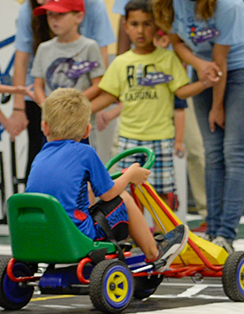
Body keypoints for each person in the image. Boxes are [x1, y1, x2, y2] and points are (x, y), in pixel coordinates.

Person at [26, 88, 189, 270]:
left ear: (44, 127)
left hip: (39, 235)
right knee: (124, 198)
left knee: (85, 195)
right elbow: (108, 194)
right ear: (87, 130)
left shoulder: (40, 156)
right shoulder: (85, 152)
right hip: (76, 235)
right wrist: (129, 176)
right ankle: (154, 253)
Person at [152, 0, 244, 252]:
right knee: (212, 152)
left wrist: (217, 107)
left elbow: (220, 59)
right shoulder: (166, 4)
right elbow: (178, 43)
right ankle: (211, 230)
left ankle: (226, 234)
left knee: (233, 150)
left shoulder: (229, 6)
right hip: (205, 71)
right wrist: (197, 63)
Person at [91, 0, 215, 213]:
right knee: (125, 191)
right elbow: (108, 95)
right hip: (129, 137)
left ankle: (163, 238)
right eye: (135, 24)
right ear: (126, 26)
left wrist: (203, 83)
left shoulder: (167, 59)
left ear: (158, 26)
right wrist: (78, 110)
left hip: (161, 137)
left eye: (147, 24)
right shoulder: (121, 63)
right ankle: (132, 234)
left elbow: (180, 92)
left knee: (162, 193)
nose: (141, 31)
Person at [0, 0, 116, 171]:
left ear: (79, 16)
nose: (53, 20)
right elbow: (37, 83)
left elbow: (100, 83)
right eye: (50, 15)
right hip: (52, 123)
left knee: (83, 170)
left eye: (60, 14)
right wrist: (48, 106)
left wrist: (72, 103)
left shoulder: (90, 46)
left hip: (79, 122)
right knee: (47, 166)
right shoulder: (44, 49)